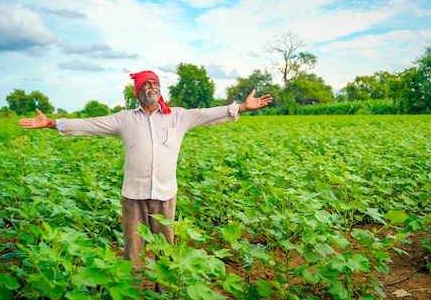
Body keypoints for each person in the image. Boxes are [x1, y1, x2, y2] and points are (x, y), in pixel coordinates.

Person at [17, 70, 272, 281]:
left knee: (166, 253)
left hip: (164, 195)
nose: (151, 86)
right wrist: (52, 123)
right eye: (146, 83)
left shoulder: (179, 117)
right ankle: (135, 293)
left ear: (160, 90)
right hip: (133, 197)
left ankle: (165, 291)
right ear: (138, 92)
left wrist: (242, 107)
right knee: (133, 253)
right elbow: (89, 124)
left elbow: (210, 113)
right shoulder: (124, 119)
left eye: (155, 83)